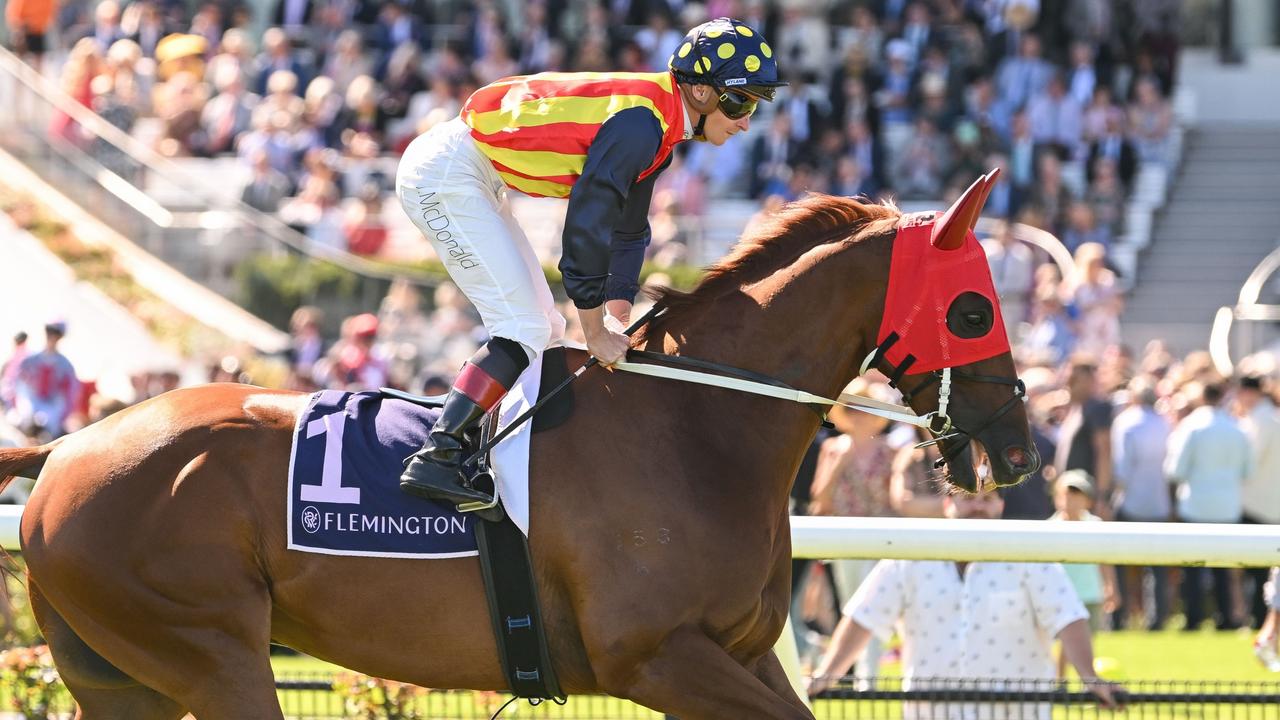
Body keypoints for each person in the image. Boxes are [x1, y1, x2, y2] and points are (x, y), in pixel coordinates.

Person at [395, 18, 786, 506]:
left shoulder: (660, 124)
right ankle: (437, 456)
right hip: (446, 173)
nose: (747, 119)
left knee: (544, 328)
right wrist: (595, 331)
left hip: (470, 171)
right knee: (525, 326)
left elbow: (628, 230)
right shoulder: (644, 124)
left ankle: (479, 451)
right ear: (702, 93)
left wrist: (616, 316)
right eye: (740, 101)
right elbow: (585, 227)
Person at [806, 488, 1119, 717]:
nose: (978, 507)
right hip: (931, 713)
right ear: (948, 504)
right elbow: (864, 615)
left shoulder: (1031, 556)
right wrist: (827, 675)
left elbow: (1067, 616)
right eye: (968, 497)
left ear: (1001, 505)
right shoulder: (909, 557)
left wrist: (1090, 676)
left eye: (987, 499)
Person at [1166, 381, 1251, 630]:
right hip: (1228, 507)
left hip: (1196, 505)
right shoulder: (1237, 428)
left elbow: (1175, 470)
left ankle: (1193, 618)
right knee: (1223, 568)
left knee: (1192, 567)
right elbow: (1248, 470)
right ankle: (1225, 617)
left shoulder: (1191, 426)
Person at [1110, 376, 1173, 629]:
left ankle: (1118, 617)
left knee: (1120, 562)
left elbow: (1122, 469)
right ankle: (1157, 620)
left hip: (1131, 501)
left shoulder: (1126, 423)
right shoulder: (1164, 423)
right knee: (1157, 566)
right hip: (1159, 501)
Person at [1234, 375, 1280, 628]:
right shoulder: (1267, 417)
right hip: (1269, 503)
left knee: (1256, 569)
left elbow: (1249, 464)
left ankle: (1257, 619)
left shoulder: (1260, 420)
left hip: (1256, 503)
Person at [1050, 470, 1118, 632]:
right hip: (1059, 595)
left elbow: (1104, 560)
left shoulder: (1095, 525)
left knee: (1088, 641)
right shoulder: (1050, 527)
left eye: (1077, 495)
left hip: (1090, 594)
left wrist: (1111, 587)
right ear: (1057, 498)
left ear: (1088, 501)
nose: (1071, 500)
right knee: (1062, 642)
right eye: (1067, 494)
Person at [11, 321, 81, 441]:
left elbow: (70, 393)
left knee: (51, 430)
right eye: (49, 330)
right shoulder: (29, 359)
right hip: (30, 402)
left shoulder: (65, 365)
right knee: (20, 420)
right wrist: (14, 403)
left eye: (56, 332)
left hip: (50, 406)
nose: (51, 335)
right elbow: (15, 381)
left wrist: (63, 416)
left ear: (61, 336)